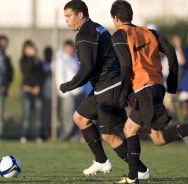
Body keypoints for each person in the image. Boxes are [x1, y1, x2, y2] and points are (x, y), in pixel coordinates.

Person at [110, 1, 188, 183]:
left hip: (144, 89)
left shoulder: (119, 35)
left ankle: (133, 178)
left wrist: (122, 95)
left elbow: (125, 66)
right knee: (158, 138)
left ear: (115, 18)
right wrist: (171, 83)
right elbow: (170, 51)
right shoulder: (149, 32)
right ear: (130, 15)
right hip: (156, 87)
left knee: (129, 130)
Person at [61, 0, 150, 179]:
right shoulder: (97, 27)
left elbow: (87, 68)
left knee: (109, 135)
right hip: (103, 87)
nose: (66, 20)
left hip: (108, 87)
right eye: (65, 17)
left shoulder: (84, 35)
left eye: (69, 16)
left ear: (80, 14)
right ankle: (101, 161)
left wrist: (68, 85)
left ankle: (141, 170)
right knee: (80, 118)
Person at [55, 40, 83, 140]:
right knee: (68, 115)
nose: (71, 50)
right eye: (69, 48)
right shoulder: (61, 60)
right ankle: (66, 134)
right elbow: (59, 76)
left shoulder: (75, 58)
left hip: (78, 92)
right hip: (68, 93)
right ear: (65, 48)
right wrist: (63, 90)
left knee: (77, 116)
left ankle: (74, 135)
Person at [19, 40, 44, 143]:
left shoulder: (38, 61)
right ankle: (24, 135)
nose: (31, 50)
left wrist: (38, 87)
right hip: (26, 90)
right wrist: (31, 58)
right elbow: (27, 71)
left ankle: (37, 135)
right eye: (29, 49)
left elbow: (40, 75)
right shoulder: (23, 60)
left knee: (38, 114)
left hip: (36, 91)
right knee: (27, 113)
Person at [41, 46, 53, 140]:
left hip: (54, 94)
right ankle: (44, 133)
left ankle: (52, 132)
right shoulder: (42, 64)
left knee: (53, 115)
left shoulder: (54, 64)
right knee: (45, 115)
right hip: (45, 93)